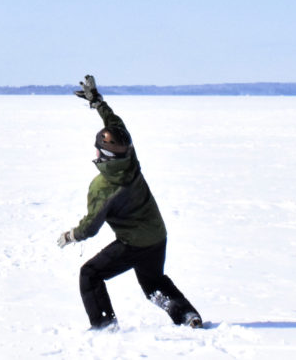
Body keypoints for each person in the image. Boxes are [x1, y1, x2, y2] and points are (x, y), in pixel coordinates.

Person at [56, 75, 202, 330]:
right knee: (154, 284)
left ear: (105, 155)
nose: (96, 152)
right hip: (157, 235)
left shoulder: (104, 187)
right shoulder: (130, 159)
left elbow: (90, 227)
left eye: (98, 149)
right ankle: (188, 316)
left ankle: (104, 326)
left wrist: (71, 236)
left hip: (133, 243)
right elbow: (116, 125)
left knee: (89, 275)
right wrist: (98, 103)